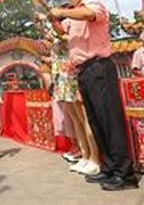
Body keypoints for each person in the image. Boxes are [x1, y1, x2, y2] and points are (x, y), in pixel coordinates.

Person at [49, 0, 138, 191]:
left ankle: (124, 174)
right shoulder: (73, 15)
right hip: (83, 71)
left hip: (99, 67)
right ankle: (107, 168)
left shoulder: (93, 4)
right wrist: (53, 18)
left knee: (109, 120)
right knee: (96, 121)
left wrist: (61, 11)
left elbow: (88, 15)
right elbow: (63, 31)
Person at [38, 10, 101, 176]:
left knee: (83, 118)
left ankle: (95, 157)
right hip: (61, 78)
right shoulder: (55, 36)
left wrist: (50, 22)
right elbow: (49, 38)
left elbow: (63, 38)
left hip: (72, 76)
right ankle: (85, 154)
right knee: (75, 119)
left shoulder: (69, 33)